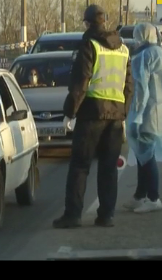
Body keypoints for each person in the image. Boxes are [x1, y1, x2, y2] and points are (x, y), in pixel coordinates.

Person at [52, 4, 133, 228]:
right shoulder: (123, 48)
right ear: (104, 22)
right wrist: (123, 113)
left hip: (92, 115)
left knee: (80, 166)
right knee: (108, 168)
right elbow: (128, 86)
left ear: (88, 23)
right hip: (115, 117)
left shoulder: (90, 45)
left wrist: (70, 112)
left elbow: (81, 82)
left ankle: (73, 215)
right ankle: (106, 216)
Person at [123, 23, 162, 213]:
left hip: (146, 113)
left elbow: (141, 90)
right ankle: (140, 194)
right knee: (143, 154)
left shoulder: (142, 57)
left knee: (145, 154)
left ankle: (153, 197)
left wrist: (136, 117)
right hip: (158, 112)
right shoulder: (160, 53)